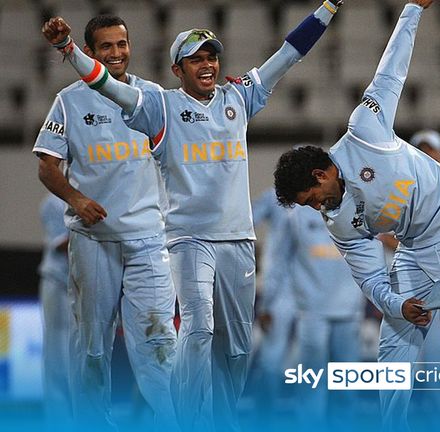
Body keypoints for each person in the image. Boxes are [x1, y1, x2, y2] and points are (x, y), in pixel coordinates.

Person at [42, 2, 342, 430]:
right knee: (197, 327)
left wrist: (329, 7)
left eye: (212, 56)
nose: (207, 64)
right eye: (195, 58)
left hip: (238, 241)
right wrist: (70, 49)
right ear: (177, 69)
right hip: (187, 240)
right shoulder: (159, 107)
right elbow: (107, 84)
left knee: (237, 351)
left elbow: (290, 53)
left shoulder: (240, 96)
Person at [272, 2, 440, 430]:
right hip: (417, 245)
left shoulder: (365, 128)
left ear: (322, 172)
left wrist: (413, 10)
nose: (315, 208)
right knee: (393, 343)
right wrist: (400, 303)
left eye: (312, 197)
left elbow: (390, 72)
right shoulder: (337, 222)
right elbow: (370, 279)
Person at [34, 15, 177, 431]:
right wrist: (76, 199)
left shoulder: (152, 96)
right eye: (106, 47)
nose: (116, 53)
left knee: (159, 343)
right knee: (92, 349)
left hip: (149, 240)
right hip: (93, 241)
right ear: (91, 52)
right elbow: (47, 166)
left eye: (122, 44)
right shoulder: (68, 101)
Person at [263, 201, 365, 430]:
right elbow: (279, 259)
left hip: (350, 310)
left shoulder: (358, 206)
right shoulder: (295, 213)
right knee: (311, 384)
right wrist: (267, 303)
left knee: (346, 386)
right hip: (311, 311)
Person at [249, 187, 298, 421]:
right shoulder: (277, 195)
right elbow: (247, 220)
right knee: (272, 357)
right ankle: (263, 418)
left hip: (316, 292)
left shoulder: (332, 194)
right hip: (284, 291)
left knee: (315, 358)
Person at [37, 193, 72, 431]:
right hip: (57, 282)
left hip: (81, 283)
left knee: (78, 352)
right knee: (57, 351)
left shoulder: (94, 192)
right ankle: (56, 420)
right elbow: (60, 244)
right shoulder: (53, 201)